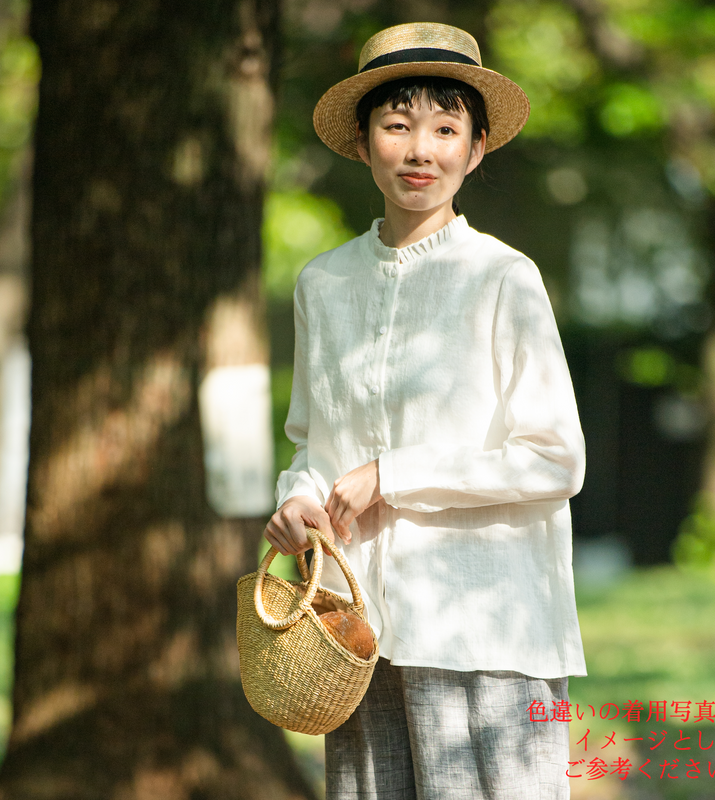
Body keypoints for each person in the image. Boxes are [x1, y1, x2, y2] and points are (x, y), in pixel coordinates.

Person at [264, 22, 586, 800]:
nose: (422, 150)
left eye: (446, 129)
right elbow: (314, 439)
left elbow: (556, 458)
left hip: (485, 630)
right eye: (399, 125)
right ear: (365, 140)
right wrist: (297, 498)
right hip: (360, 632)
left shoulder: (503, 278)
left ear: (476, 149)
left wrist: (396, 474)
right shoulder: (323, 283)